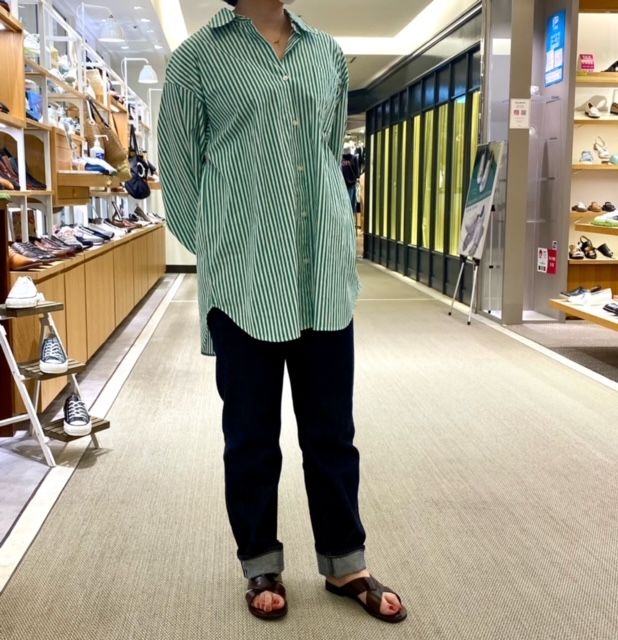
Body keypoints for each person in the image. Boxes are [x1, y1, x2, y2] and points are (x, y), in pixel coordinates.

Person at [158, 0, 406, 624]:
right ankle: (260, 563)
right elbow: (180, 174)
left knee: (332, 432)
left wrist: (334, 237)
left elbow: (326, 154)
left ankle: (345, 562)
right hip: (244, 280)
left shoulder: (326, 54)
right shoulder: (196, 59)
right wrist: (222, 247)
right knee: (250, 436)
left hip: (323, 276)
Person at [341, 143, 360, 213]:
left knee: (345, 203)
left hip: (343, 184)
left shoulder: (341, 159)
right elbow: (357, 172)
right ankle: (351, 217)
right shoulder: (354, 158)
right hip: (351, 184)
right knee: (351, 204)